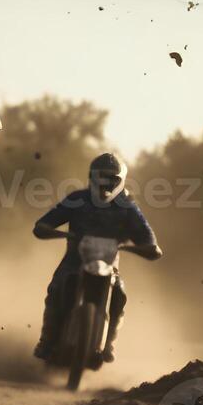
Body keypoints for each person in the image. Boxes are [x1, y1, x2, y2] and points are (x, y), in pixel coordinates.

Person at [32, 153, 161, 362]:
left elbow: (148, 240)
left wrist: (149, 248)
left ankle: (109, 344)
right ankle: (47, 340)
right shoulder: (76, 200)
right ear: (92, 177)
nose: (106, 184)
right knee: (57, 287)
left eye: (112, 179)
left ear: (121, 181)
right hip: (74, 262)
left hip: (110, 267)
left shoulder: (128, 208)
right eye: (102, 177)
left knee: (119, 294)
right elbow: (43, 225)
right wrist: (57, 232)